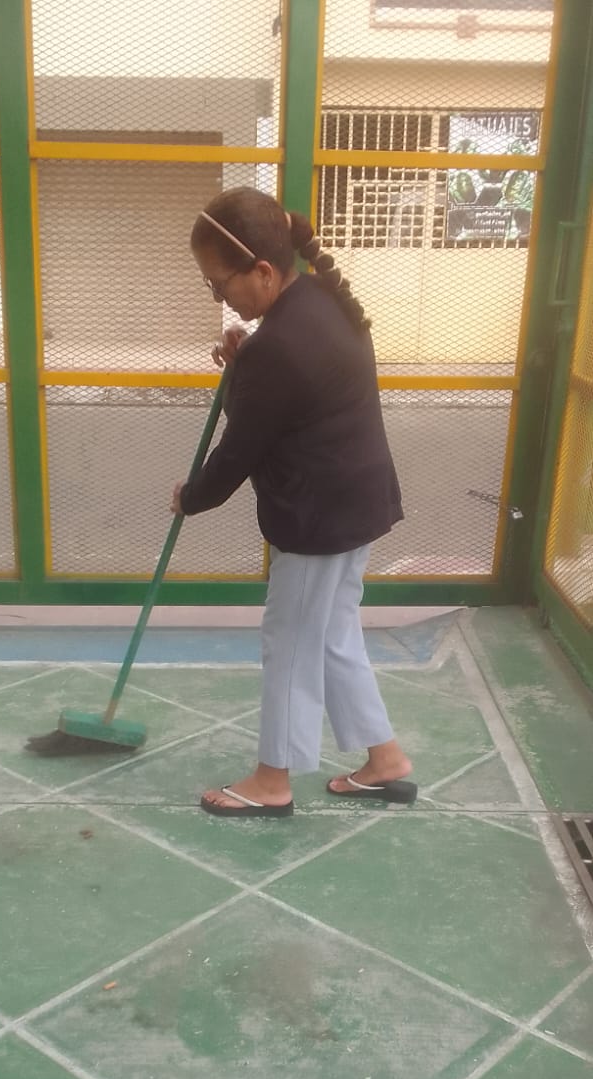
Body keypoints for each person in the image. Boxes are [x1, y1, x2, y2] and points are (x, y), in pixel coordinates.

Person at [171, 186, 415, 819]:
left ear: (261, 271)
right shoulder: (321, 300)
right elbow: (277, 406)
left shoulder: (278, 344)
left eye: (219, 284)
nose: (219, 297)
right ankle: (386, 761)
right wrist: (243, 365)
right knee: (332, 634)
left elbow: (240, 449)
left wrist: (192, 497)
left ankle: (272, 779)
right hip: (353, 505)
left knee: (289, 642)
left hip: (317, 518)